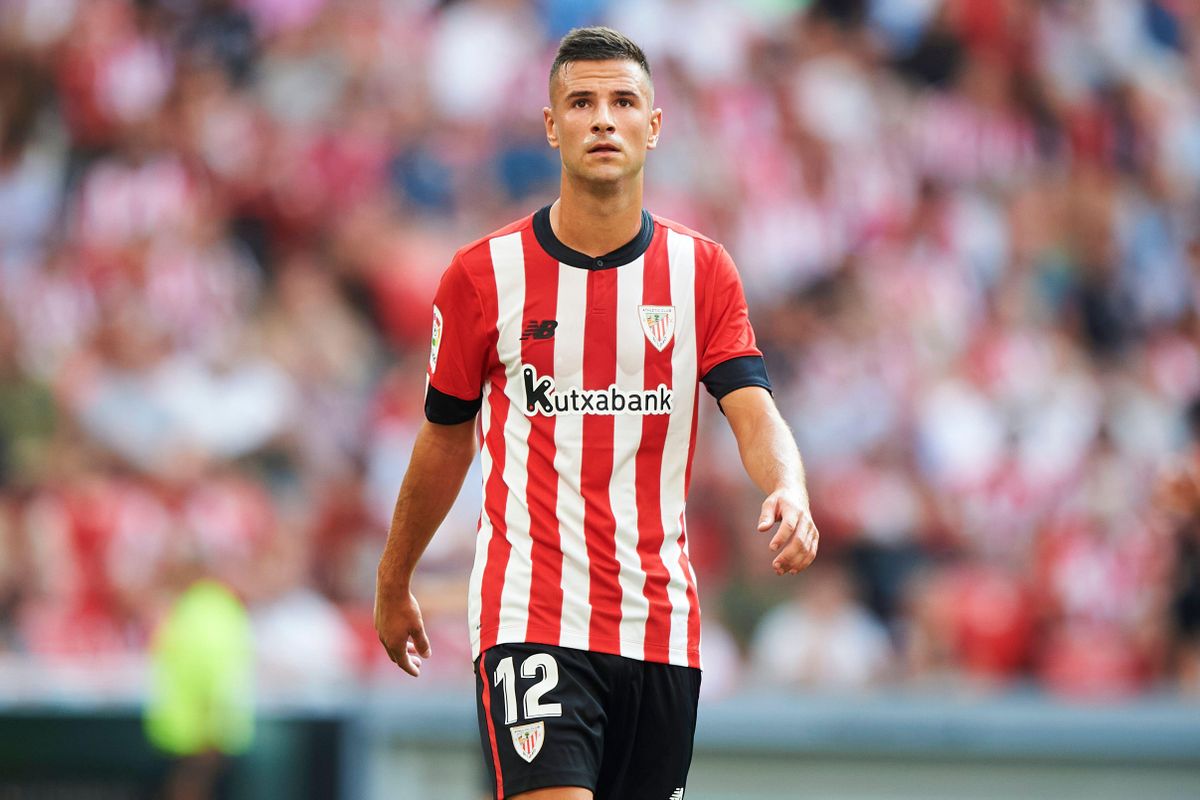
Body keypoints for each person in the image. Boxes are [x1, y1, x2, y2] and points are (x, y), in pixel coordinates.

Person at [374, 26, 818, 800]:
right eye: (581, 102)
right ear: (551, 126)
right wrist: (393, 576)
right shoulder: (486, 276)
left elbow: (753, 410)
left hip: (659, 623)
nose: (603, 119)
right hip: (531, 613)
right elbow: (444, 443)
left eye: (622, 102)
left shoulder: (701, 272)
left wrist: (788, 486)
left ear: (654, 124)